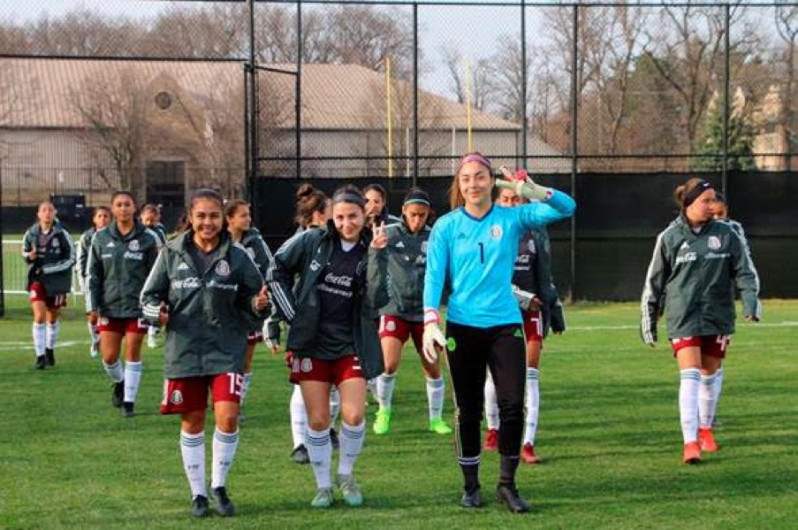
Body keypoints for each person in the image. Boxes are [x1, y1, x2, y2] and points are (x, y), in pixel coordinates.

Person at [423, 152, 575, 513]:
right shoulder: (446, 226)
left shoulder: (512, 217)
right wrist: (430, 320)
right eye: (465, 179)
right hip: (462, 326)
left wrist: (530, 188)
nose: (473, 184)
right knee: (469, 409)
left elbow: (567, 207)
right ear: (458, 186)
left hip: (506, 326)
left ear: (492, 181)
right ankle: (470, 484)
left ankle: (507, 484)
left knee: (511, 405)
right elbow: (433, 277)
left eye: (480, 176)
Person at [140, 188, 269, 518]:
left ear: (223, 218)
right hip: (184, 350)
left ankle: (220, 485)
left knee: (227, 418)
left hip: (227, 348)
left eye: (214, 215)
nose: (207, 222)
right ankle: (198, 493)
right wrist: (158, 314)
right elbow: (147, 298)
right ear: (191, 217)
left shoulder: (238, 256)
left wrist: (258, 305)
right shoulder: (170, 251)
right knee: (193, 421)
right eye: (201, 216)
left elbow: (255, 299)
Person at [270, 184, 387, 508]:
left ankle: (346, 475)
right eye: (339, 217)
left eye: (353, 216)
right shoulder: (312, 241)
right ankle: (323, 485)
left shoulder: (374, 247)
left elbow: (379, 298)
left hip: (352, 343)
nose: (346, 223)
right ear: (330, 218)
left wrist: (378, 256)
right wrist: (291, 313)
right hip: (312, 344)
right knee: (319, 420)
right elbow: (276, 269)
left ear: (365, 215)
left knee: (353, 413)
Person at [641, 178, 761, 464]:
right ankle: (690, 442)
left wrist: (750, 302)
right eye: (706, 201)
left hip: (718, 313)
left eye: (712, 200)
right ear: (689, 203)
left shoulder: (727, 233)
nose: (712, 206)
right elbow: (653, 282)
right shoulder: (669, 237)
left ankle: (706, 429)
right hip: (682, 314)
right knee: (690, 373)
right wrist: (649, 319)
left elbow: (745, 271)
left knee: (709, 375)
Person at [483, 174, 566, 464]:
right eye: (504, 199)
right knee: (495, 375)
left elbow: (545, 277)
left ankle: (528, 443)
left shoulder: (535, 232)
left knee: (530, 376)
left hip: (531, 311)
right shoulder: (489, 231)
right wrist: (519, 296)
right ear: (495, 203)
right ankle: (493, 429)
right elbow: (487, 278)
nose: (509, 203)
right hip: (498, 310)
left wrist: (553, 311)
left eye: (515, 199)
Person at [264, 183, 340, 464]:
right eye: (334, 212)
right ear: (320, 215)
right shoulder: (304, 240)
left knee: (333, 381)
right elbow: (275, 274)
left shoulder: (336, 240)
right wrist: (288, 316)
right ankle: (300, 443)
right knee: (303, 381)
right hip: (307, 324)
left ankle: (327, 429)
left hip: (334, 323)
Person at [369, 187, 452, 436]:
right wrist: (376, 249)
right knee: (389, 364)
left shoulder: (434, 237)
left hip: (424, 313)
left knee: (433, 367)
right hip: (394, 309)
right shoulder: (389, 234)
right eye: (413, 214)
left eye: (423, 215)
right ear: (404, 211)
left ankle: (435, 419)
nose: (417, 220)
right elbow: (372, 265)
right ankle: (383, 410)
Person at [87, 191, 162, 417]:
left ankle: (129, 402)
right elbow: (92, 275)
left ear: (134, 208)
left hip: (137, 307)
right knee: (109, 357)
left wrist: (156, 303)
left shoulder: (148, 238)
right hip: (109, 306)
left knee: (132, 351)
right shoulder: (99, 239)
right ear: (112, 209)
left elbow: (157, 274)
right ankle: (119, 382)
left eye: (127, 204)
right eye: (118, 205)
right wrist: (92, 306)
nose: (123, 209)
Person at [707, 193, 755, 428]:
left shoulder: (733, 231)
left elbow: (744, 263)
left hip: (721, 305)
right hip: (691, 306)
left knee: (715, 362)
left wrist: (750, 300)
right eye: (712, 213)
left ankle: (708, 413)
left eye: (721, 214)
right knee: (692, 364)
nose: (717, 218)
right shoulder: (688, 230)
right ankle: (697, 416)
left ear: (726, 210)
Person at [225, 199, 277, 416]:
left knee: (245, 360)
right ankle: (222, 398)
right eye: (243, 215)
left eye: (249, 214)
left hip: (250, 308)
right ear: (230, 219)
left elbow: (270, 267)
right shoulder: (219, 241)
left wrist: (265, 293)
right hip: (225, 308)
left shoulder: (255, 240)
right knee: (225, 359)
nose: (248, 219)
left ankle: (238, 404)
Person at [22, 199, 76, 369]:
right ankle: (40, 357)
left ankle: (49, 349)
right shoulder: (31, 233)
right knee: (39, 316)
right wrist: (28, 256)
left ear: (55, 213)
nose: (47, 213)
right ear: (38, 214)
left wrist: (50, 269)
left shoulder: (62, 234)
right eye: (44, 210)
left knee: (52, 317)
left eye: (50, 210)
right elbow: (24, 251)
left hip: (57, 283)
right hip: (37, 279)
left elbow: (71, 258)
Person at [76, 205, 111, 358]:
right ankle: (95, 340)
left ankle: (105, 341)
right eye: (100, 216)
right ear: (94, 219)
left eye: (106, 216)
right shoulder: (87, 237)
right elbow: (81, 261)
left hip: (109, 283)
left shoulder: (114, 236)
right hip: (92, 282)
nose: (103, 219)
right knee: (93, 315)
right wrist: (83, 283)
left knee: (106, 315)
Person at [141, 203, 167, 348]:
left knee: (155, 301)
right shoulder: (138, 232)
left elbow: (163, 250)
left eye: (153, 220)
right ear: (142, 217)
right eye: (147, 220)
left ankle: (152, 332)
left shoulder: (159, 231)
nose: (150, 223)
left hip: (154, 271)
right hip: (141, 272)